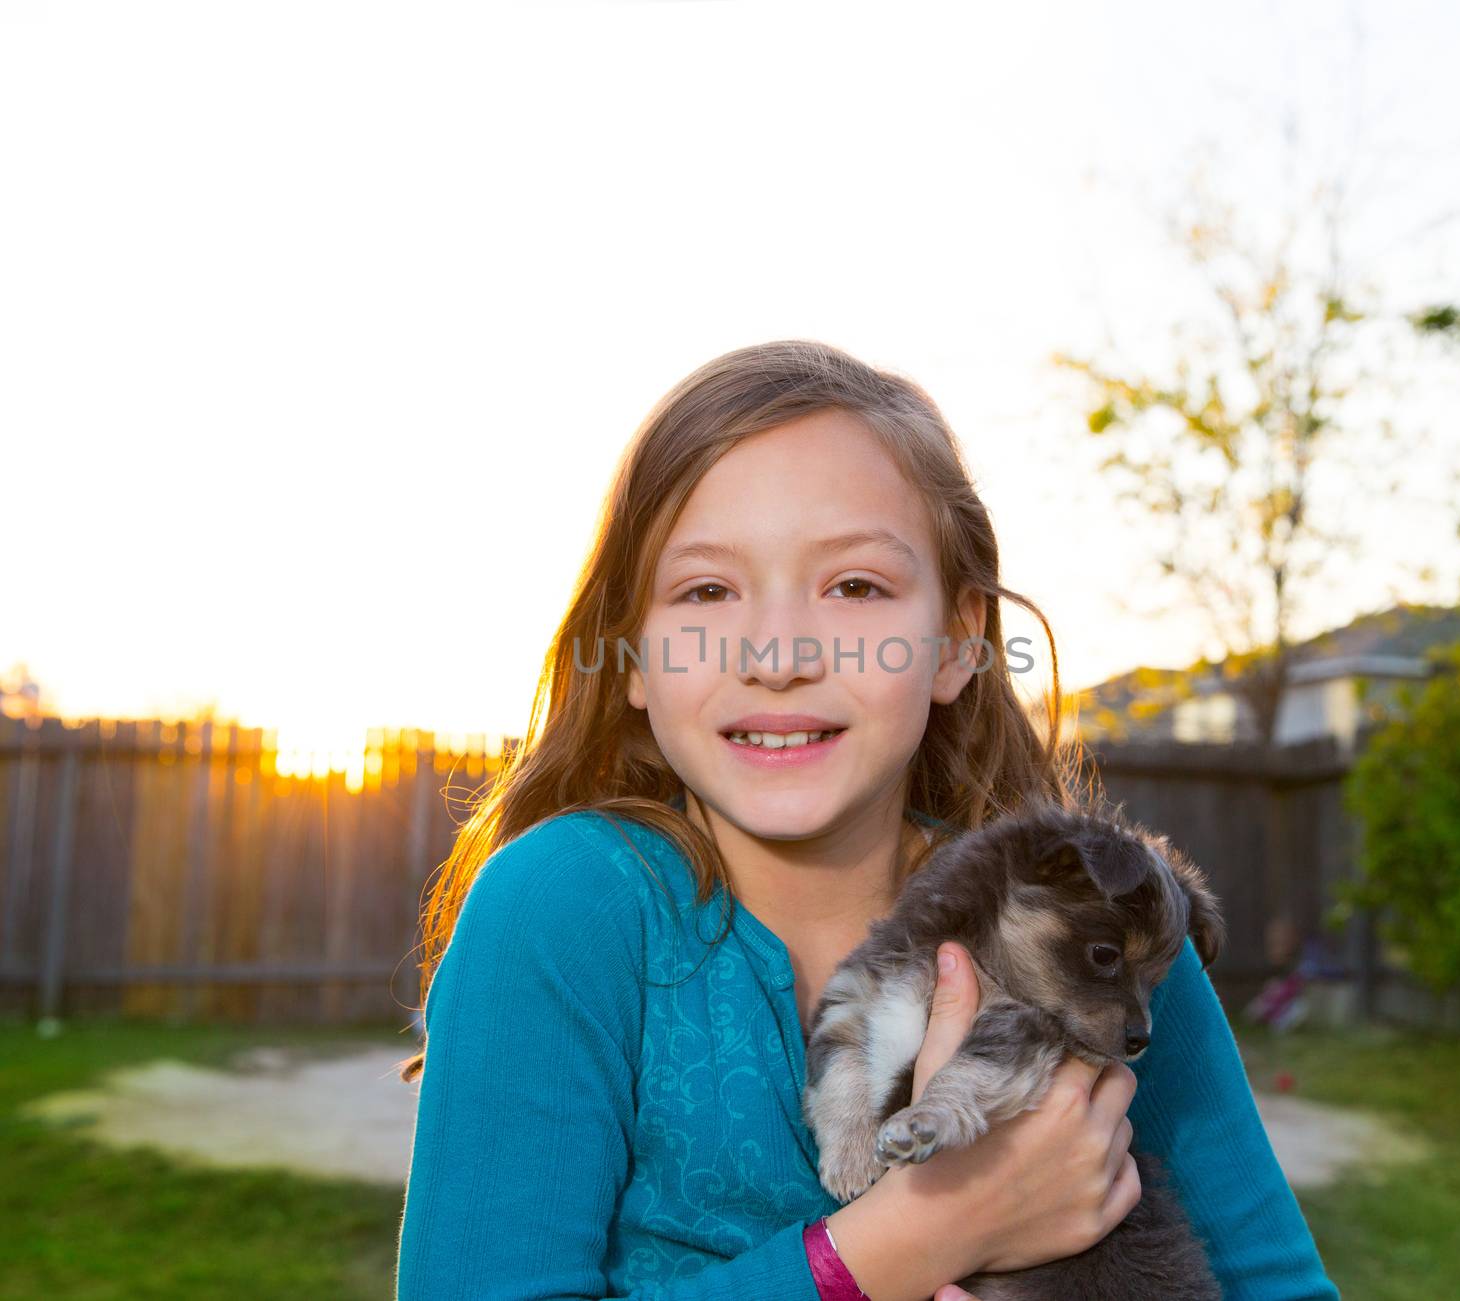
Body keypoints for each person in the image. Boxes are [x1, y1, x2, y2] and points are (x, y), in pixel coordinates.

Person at [394, 340, 1340, 1300]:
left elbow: (1277, 1283)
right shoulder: (563, 907)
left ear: (958, 641)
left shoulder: (1098, 921)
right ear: (632, 655)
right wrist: (919, 1234)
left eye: (855, 587)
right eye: (707, 591)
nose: (777, 654)